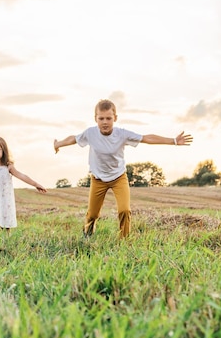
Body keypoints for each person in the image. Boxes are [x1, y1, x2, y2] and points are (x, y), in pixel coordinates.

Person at [53, 99, 193, 238]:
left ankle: (124, 240)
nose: (105, 122)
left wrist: (173, 141)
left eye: (109, 118)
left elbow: (146, 138)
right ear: (95, 119)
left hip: (119, 178)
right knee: (93, 214)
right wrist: (58, 144)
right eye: (101, 118)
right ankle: (88, 234)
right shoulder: (90, 133)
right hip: (98, 179)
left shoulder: (122, 134)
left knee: (124, 210)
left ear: (115, 118)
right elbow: (73, 139)